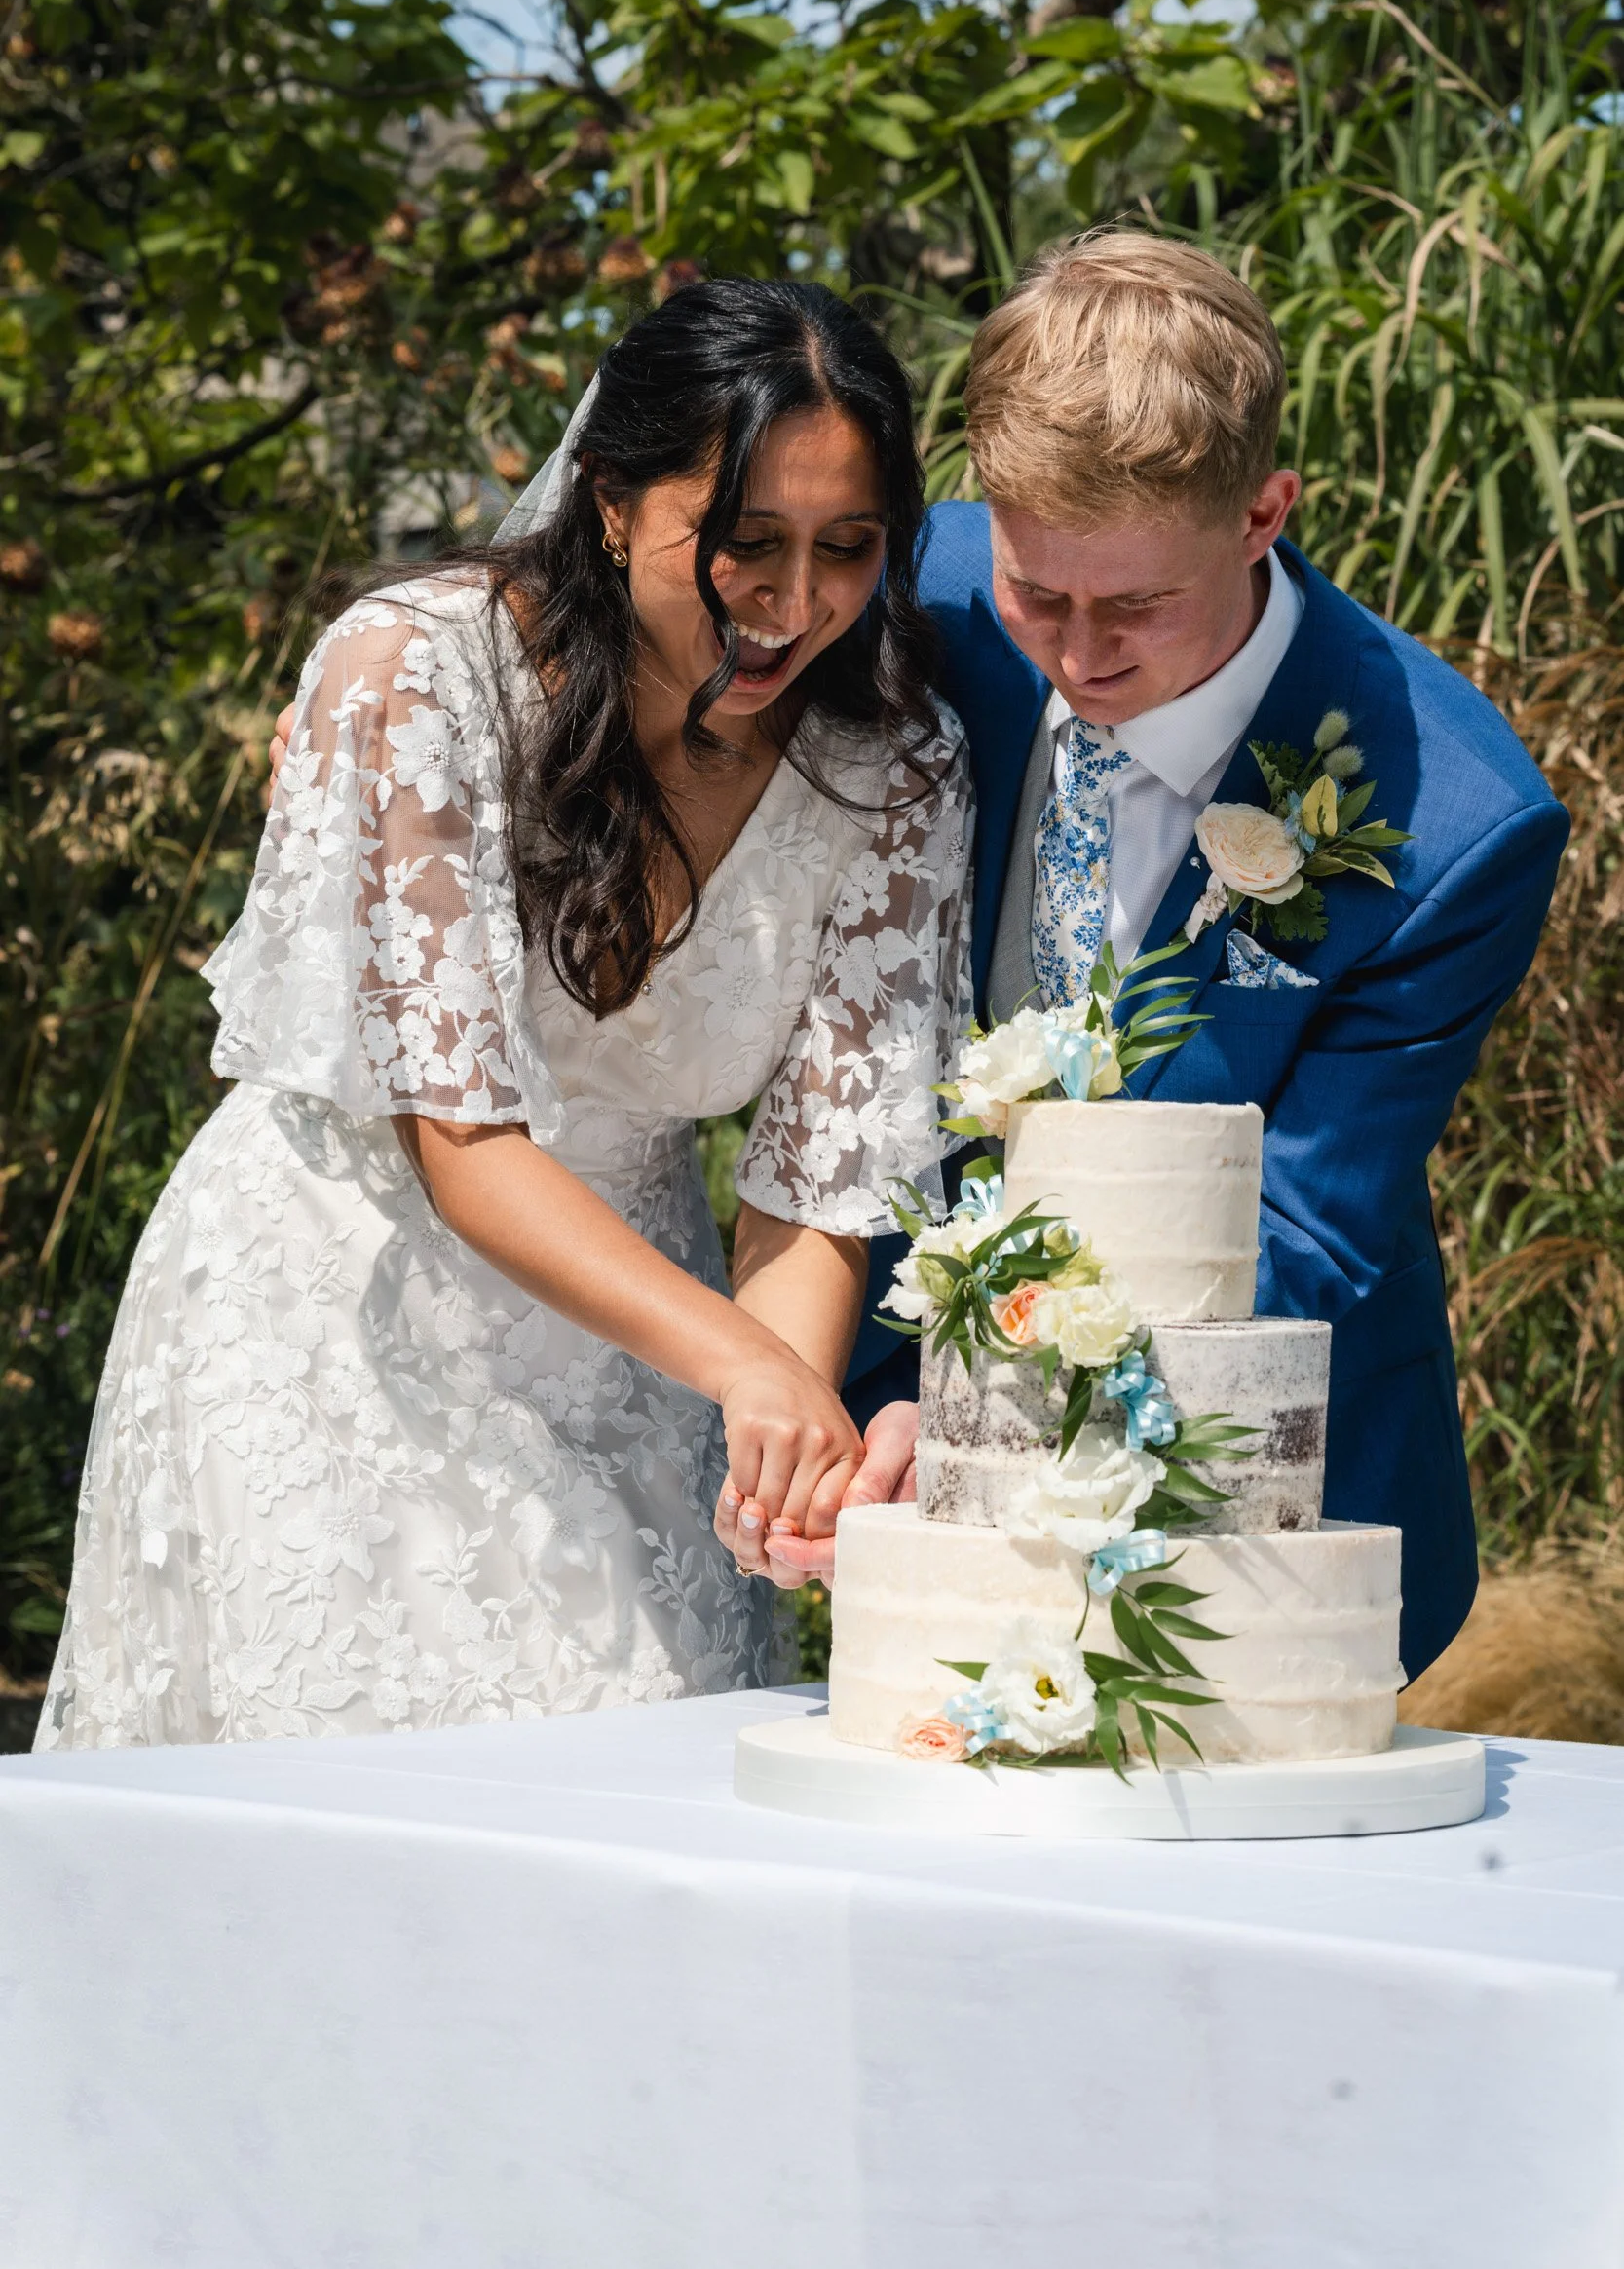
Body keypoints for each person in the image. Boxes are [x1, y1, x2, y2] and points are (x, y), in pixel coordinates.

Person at [38, 280, 971, 1748]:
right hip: (337, 1313)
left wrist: (775, 1434)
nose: (796, 605)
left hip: (641, 1346)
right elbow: (459, 1142)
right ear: (609, 500)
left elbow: (820, 1179)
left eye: (846, 550)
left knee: (631, 1788)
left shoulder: (892, 761)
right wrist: (749, 1370)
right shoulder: (417, 668)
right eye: (743, 547)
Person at [765, 231, 1567, 1685]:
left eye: (1133, 607)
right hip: (896, 1471)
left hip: (1251, 1521)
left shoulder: (1454, 820)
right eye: (1039, 594)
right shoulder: (925, 590)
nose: (1075, 654)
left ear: (1263, 513)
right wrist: (880, 1395)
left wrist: (977, 1409)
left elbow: (1302, 1235)